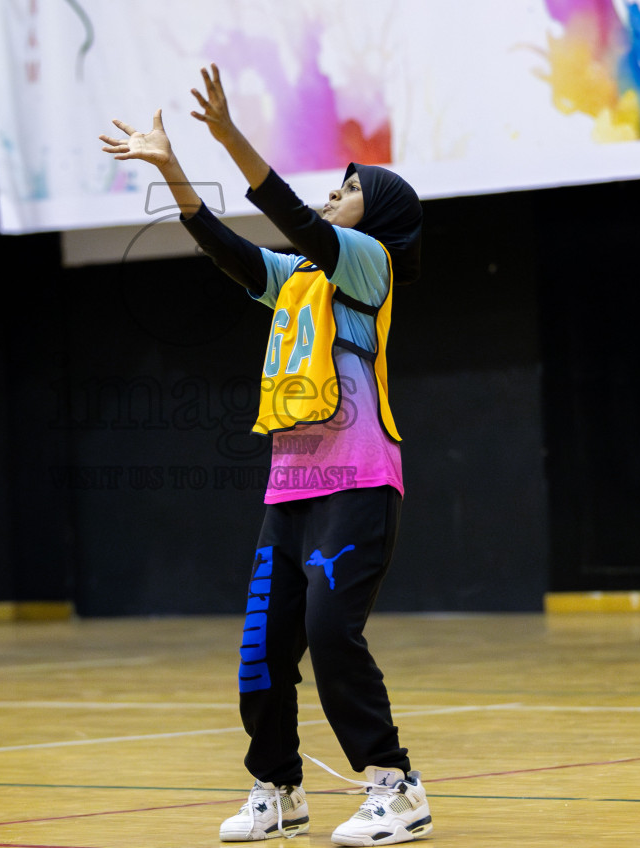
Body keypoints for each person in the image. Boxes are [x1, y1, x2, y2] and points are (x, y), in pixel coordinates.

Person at [100, 66, 433, 846]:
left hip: (357, 481)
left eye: (349, 188)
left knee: (331, 633)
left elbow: (296, 218)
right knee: (261, 649)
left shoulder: (368, 264)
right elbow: (228, 250)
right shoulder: (299, 280)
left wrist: (229, 137)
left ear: (379, 213)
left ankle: (397, 786)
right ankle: (278, 789)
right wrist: (172, 169)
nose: (333, 194)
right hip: (290, 489)